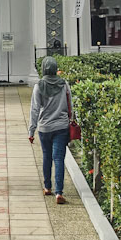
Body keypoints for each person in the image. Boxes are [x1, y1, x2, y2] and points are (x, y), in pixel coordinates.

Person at [28, 56, 75, 204]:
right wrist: (71, 119)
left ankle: (47, 187)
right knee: (59, 158)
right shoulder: (64, 84)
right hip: (61, 126)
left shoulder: (38, 86)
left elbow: (35, 109)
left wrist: (31, 131)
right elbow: (70, 105)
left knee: (47, 156)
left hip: (44, 127)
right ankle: (59, 192)